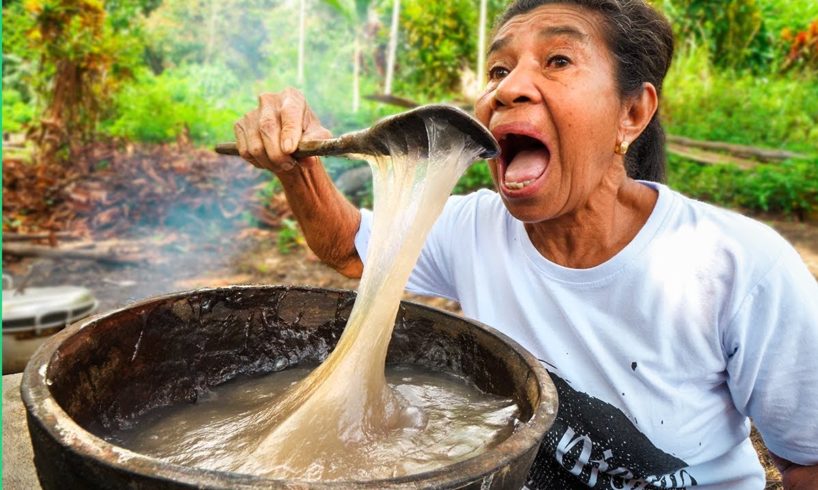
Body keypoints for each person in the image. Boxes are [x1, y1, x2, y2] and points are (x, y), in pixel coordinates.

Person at [232, 0, 818, 488]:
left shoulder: (738, 267)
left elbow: (806, 459)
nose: (509, 89)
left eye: (558, 59)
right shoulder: (475, 229)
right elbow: (350, 249)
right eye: (497, 71)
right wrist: (296, 168)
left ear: (632, 113)